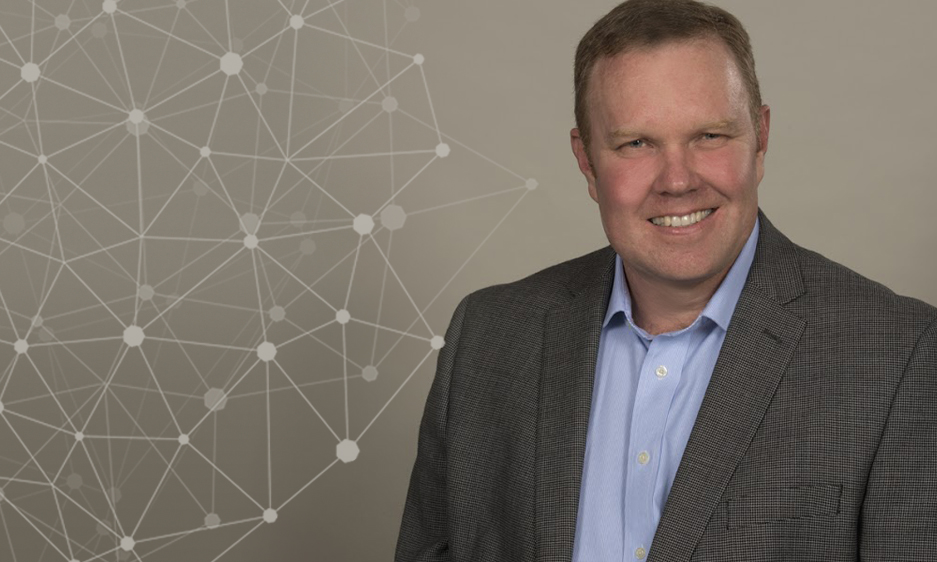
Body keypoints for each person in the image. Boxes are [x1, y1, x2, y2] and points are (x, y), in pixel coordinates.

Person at [395, 0, 937, 560]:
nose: (677, 181)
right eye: (636, 143)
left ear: (760, 138)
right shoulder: (487, 338)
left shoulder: (899, 356)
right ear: (587, 162)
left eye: (710, 136)